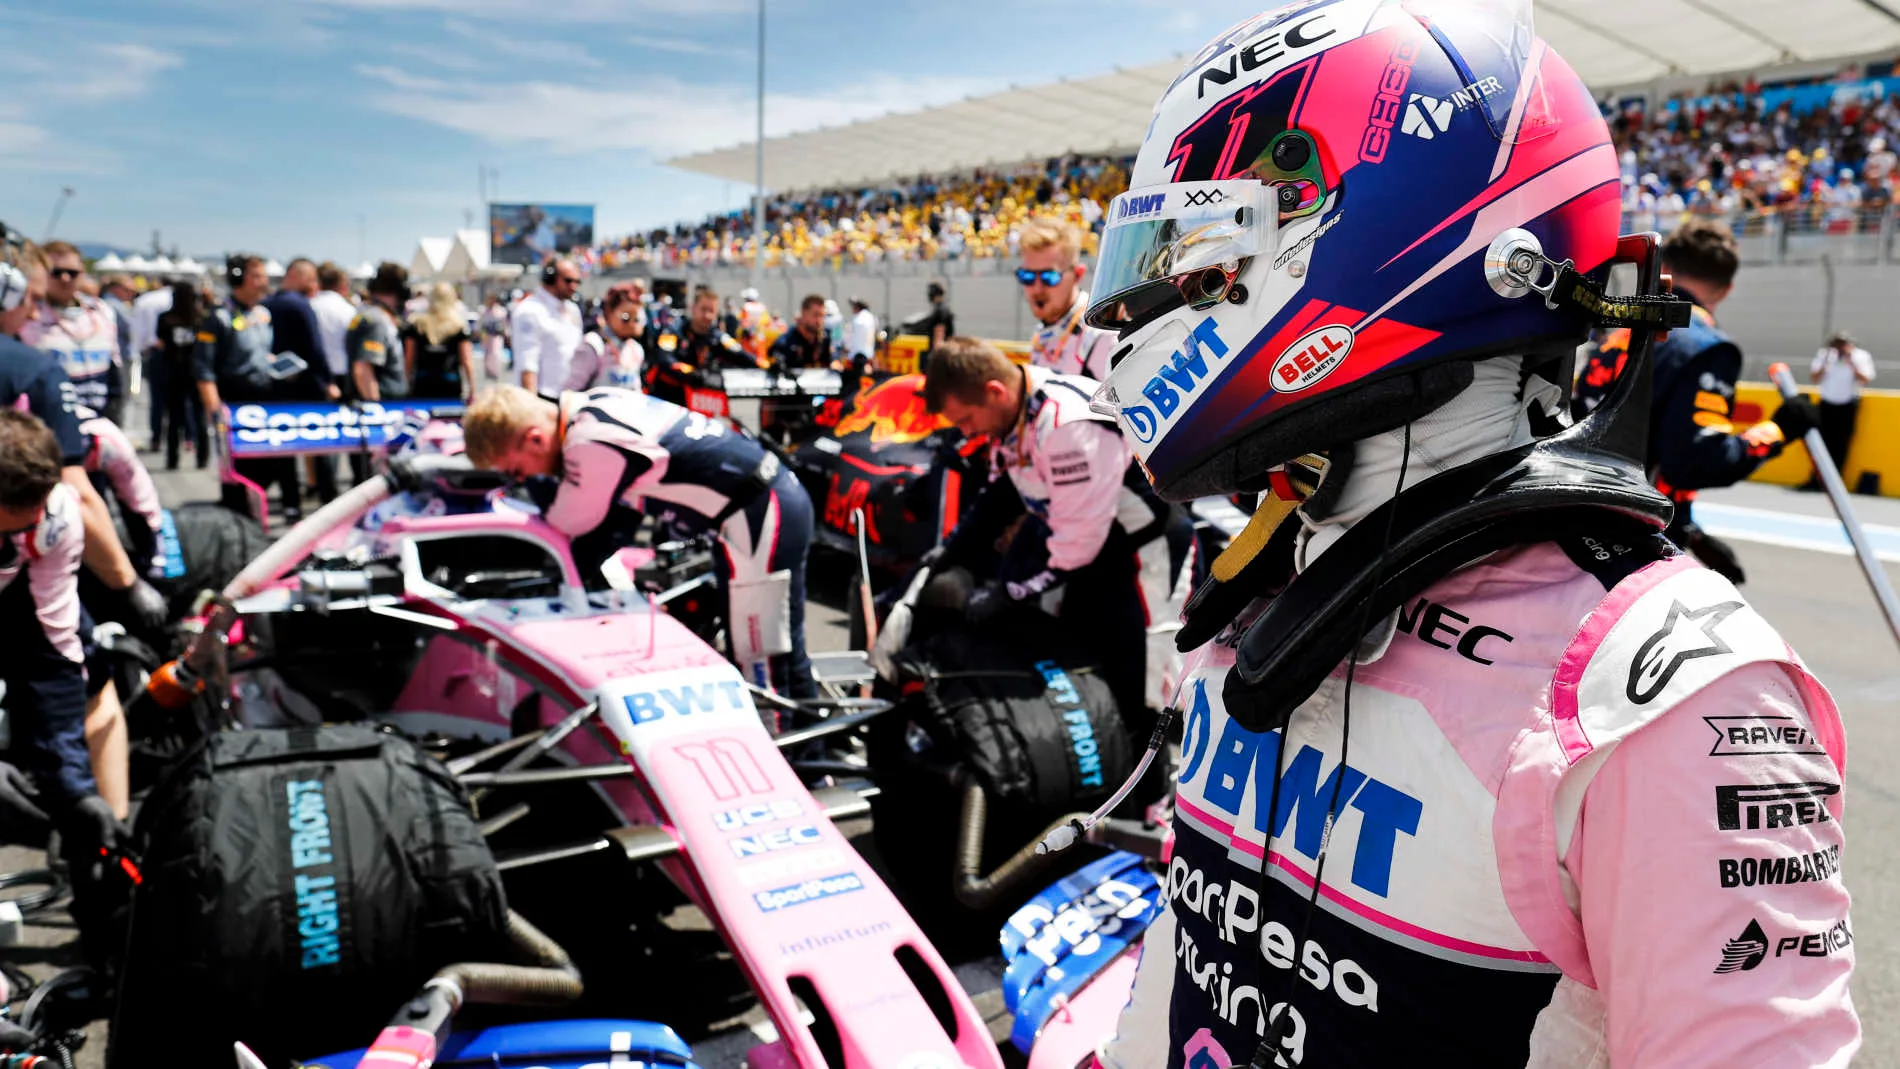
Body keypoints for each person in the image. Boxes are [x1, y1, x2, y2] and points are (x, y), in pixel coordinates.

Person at [1085, 7, 1855, 1067]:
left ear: (1377, 236)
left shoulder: (1669, 694)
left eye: (1201, 253)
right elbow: (1193, 944)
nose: (1145, 307)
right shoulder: (1268, 573)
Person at [463, 385, 816, 697]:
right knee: (782, 651)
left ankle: (798, 768)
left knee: (762, 664)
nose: (525, 479)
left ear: (534, 438)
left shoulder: (589, 441)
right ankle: (815, 759)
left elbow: (569, 522)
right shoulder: (594, 404)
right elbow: (621, 521)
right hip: (763, 504)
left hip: (757, 513)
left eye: (517, 471)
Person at [922, 337, 1170, 728]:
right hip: (1092, 548)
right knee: (1085, 668)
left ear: (994, 391)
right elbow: (1001, 496)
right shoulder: (1019, 407)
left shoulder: (1065, 427)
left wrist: (1008, 593)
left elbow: (1076, 548)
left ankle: (1151, 786)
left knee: (1141, 687)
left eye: (965, 420)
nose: (966, 433)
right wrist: (950, 551)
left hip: (1143, 554)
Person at [1574, 220, 1819, 582]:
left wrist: (1691, 532)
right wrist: (1779, 429)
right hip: (1634, 548)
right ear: (1727, 288)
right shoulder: (1706, 348)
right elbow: (1696, 461)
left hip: (1572, 522)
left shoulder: (1618, 334)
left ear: (1666, 269)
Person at [0, 408, 131, 966]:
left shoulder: (57, 515)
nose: (26, 527)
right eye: (11, 522)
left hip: (28, 608)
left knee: (68, 778)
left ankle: (105, 926)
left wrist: (74, 790)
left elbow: (55, 652)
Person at [198, 254, 307, 520]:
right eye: (257, 276)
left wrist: (279, 366)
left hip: (268, 401)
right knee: (239, 475)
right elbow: (204, 370)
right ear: (239, 279)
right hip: (235, 405)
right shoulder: (218, 318)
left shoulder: (263, 314)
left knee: (278, 462)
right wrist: (216, 415)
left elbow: (259, 354)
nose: (264, 281)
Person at [21, 242, 122, 424]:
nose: (65, 278)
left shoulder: (101, 312)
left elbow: (114, 372)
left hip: (98, 420)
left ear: (82, 272)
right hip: (47, 423)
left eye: (72, 272)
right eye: (56, 272)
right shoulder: (27, 314)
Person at [1018, 217, 1116, 381]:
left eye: (1049, 277)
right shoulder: (1044, 330)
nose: (1037, 288)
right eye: (1027, 276)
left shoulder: (1102, 337)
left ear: (1078, 274)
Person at [643, 286, 747, 404]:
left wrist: (767, 364)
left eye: (711, 311)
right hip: (667, 397)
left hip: (701, 399)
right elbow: (664, 358)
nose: (707, 315)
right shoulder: (673, 330)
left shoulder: (718, 337)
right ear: (693, 308)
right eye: (703, 309)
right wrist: (691, 372)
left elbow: (741, 354)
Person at [1810, 330, 1876, 483]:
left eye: (1842, 344)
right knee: (1819, 442)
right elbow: (1814, 377)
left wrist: (1851, 362)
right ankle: (1815, 479)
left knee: (1842, 443)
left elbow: (1865, 379)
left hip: (1848, 404)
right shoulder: (1826, 355)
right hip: (1826, 403)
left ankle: (1835, 480)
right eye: (1836, 344)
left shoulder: (1860, 356)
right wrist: (1827, 360)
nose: (1839, 348)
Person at [512, 258, 584, 400]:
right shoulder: (530, 310)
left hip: (570, 397)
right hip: (544, 396)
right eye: (569, 281)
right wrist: (532, 406)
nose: (574, 286)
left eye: (577, 282)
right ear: (550, 278)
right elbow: (528, 363)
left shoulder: (573, 309)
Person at [155, 282, 208, 470]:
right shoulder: (200, 319)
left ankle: (172, 458)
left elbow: (160, 342)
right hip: (195, 372)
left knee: (174, 419)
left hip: (174, 372)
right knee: (199, 417)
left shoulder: (166, 319)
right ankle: (202, 458)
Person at [565, 281, 646, 392]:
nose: (633, 324)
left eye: (637, 318)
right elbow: (570, 393)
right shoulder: (594, 345)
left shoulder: (635, 349)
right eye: (626, 317)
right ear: (609, 313)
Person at [347, 262, 409, 403]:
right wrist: (375, 409)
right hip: (384, 406)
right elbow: (363, 369)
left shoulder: (368, 314)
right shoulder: (377, 320)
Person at [403, 282, 475, 401]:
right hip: (450, 382)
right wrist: (472, 389)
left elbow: (409, 359)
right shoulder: (459, 325)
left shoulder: (417, 324)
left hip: (422, 382)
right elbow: (466, 360)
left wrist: (405, 383)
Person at [310, 261, 357, 396]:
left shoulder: (309, 306)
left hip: (315, 376)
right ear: (342, 284)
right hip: (343, 374)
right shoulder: (348, 310)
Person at [768, 294, 833, 372]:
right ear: (803, 313)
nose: (819, 321)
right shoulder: (785, 343)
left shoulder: (825, 338)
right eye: (815, 315)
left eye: (822, 316)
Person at [478, 293, 511, 382]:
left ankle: (495, 372)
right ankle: (488, 372)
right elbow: (480, 323)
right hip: (486, 335)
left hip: (496, 336)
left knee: (496, 353)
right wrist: (479, 333)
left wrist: (507, 335)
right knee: (486, 354)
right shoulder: (483, 310)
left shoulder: (501, 311)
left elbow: (505, 325)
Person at [844, 295, 877, 370]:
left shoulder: (857, 319)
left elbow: (850, 335)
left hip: (856, 353)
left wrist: (847, 347)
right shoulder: (870, 317)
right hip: (868, 352)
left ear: (858, 308)